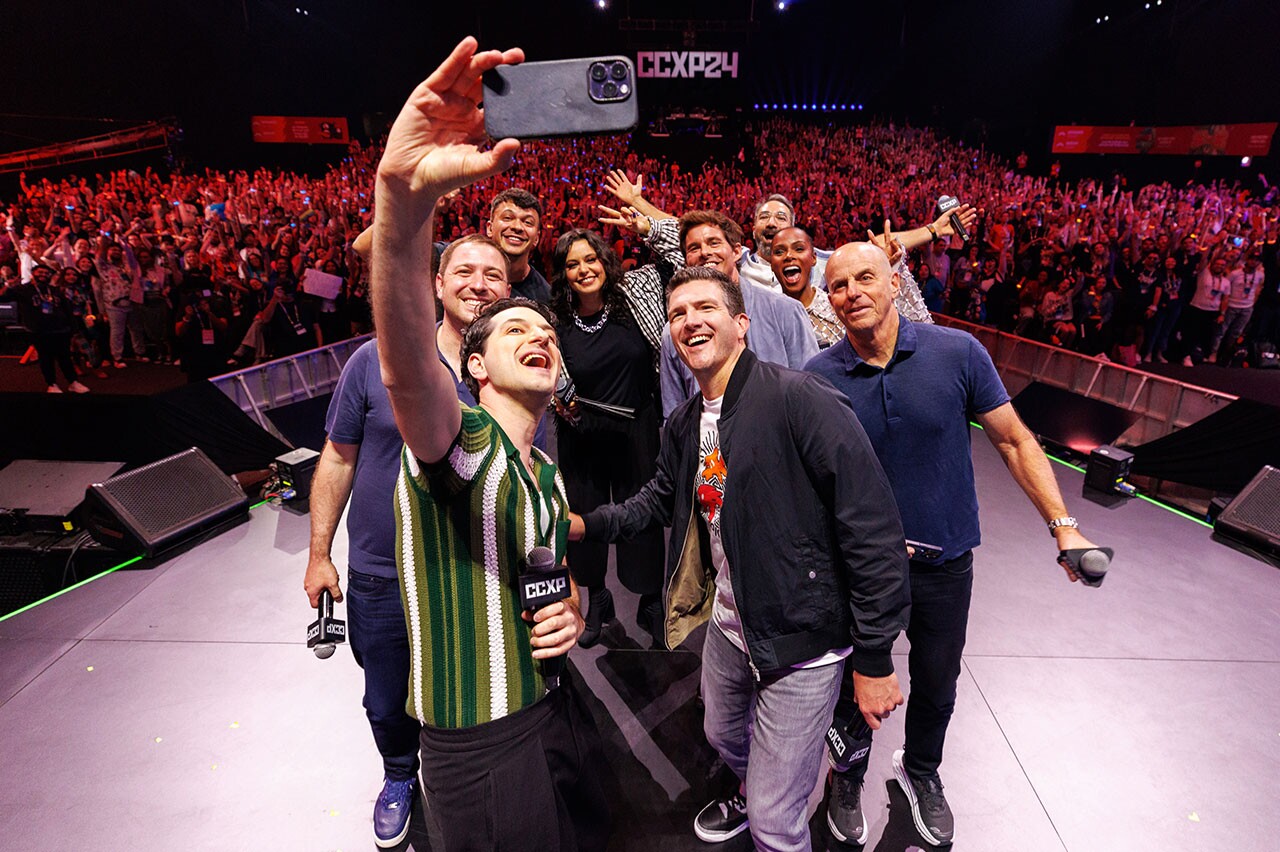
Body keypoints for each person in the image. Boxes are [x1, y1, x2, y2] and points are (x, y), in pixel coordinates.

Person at [572, 265, 910, 852]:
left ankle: (774, 796)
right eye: (677, 314)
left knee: (777, 824)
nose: (689, 321)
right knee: (722, 733)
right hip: (731, 627)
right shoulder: (686, 423)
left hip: (802, 642)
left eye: (704, 308)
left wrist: (876, 656)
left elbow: (872, 526)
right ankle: (760, 784)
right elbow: (659, 497)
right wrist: (586, 524)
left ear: (741, 324)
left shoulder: (797, 397)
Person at [369, 38, 608, 851]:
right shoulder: (459, 439)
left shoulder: (543, 469)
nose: (538, 331)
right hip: (478, 736)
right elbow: (407, 371)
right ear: (473, 363)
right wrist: (401, 201)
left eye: (545, 327)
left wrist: (569, 608)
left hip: (551, 704)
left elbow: (546, 573)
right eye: (513, 329)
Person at [807, 241, 1105, 847]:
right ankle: (847, 776)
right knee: (849, 687)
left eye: (866, 278)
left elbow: (1016, 442)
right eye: (838, 286)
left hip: (943, 566)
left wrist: (1063, 525)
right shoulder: (818, 377)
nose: (853, 293)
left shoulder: (957, 352)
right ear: (829, 300)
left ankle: (921, 773)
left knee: (937, 683)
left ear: (894, 282)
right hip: (858, 572)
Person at [303, 232, 513, 848]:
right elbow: (338, 457)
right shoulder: (374, 360)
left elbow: (535, 478)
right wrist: (319, 554)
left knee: (467, 691)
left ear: (509, 288)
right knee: (386, 698)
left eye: (493, 274)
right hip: (381, 572)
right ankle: (399, 775)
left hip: (472, 569)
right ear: (438, 284)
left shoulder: (508, 365)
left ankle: (462, 782)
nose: (479, 283)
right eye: (464, 271)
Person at [548, 205, 682, 648]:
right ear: (564, 274)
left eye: (590, 259)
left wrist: (647, 222)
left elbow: (684, 256)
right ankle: (596, 599)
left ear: (604, 260)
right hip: (579, 435)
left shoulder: (636, 291)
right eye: (572, 264)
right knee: (582, 519)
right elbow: (544, 369)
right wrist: (555, 399)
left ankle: (649, 601)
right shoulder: (555, 318)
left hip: (636, 428)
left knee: (642, 519)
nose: (583, 269)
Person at [658, 210, 819, 416]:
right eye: (694, 248)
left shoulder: (785, 311)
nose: (705, 252)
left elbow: (812, 394)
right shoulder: (676, 333)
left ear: (736, 252)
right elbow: (674, 414)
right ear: (686, 261)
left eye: (714, 242)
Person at [768, 226, 843, 348]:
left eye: (798, 249)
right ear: (771, 264)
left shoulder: (837, 307)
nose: (789, 256)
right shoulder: (767, 318)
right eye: (779, 252)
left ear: (813, 258)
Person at [487, 187, 550, 302]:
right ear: (490, 228)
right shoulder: (456, 262)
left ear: (537, 238)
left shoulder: (546, 299)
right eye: (507, 218)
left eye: (527, 222)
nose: (517, 227)